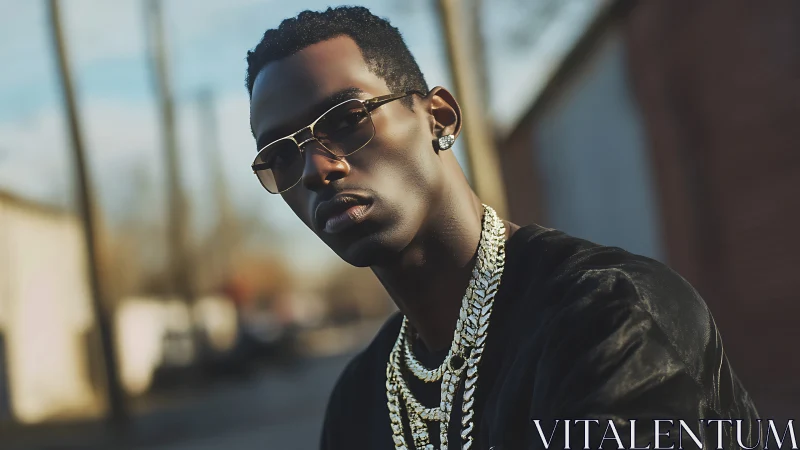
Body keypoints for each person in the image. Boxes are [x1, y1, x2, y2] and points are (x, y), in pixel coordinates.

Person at [244, 6, 760, 449]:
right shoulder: (359, 402)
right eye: (282, 156)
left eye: (344, 119)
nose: (315, 170)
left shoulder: (608, 318)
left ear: (439, 118)